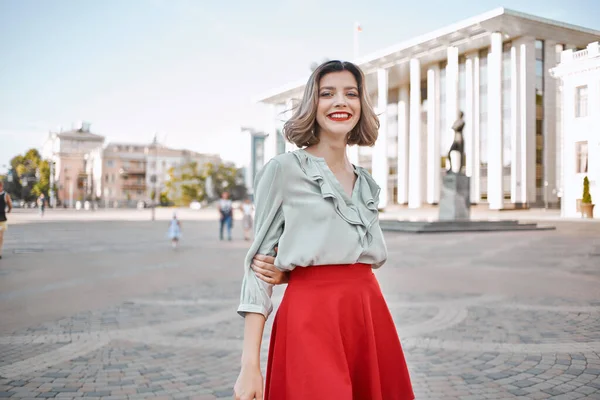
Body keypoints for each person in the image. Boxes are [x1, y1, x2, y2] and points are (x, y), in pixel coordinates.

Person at [234, 60, 414, 400]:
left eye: (351, 94)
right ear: (311, 105)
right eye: (327, 94)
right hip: (310, 320)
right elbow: (257, 273)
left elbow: (354, 257)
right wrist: (249, 366)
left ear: (362, 105)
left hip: (368, 314)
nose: (340, 102)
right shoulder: (283, 170)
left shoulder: (367, 183)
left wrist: (290, 273)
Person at [0, 181, 13, 260]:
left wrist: (9, 210)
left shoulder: (5, 195)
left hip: (2, 219)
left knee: (0, 236)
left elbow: (10, 204)